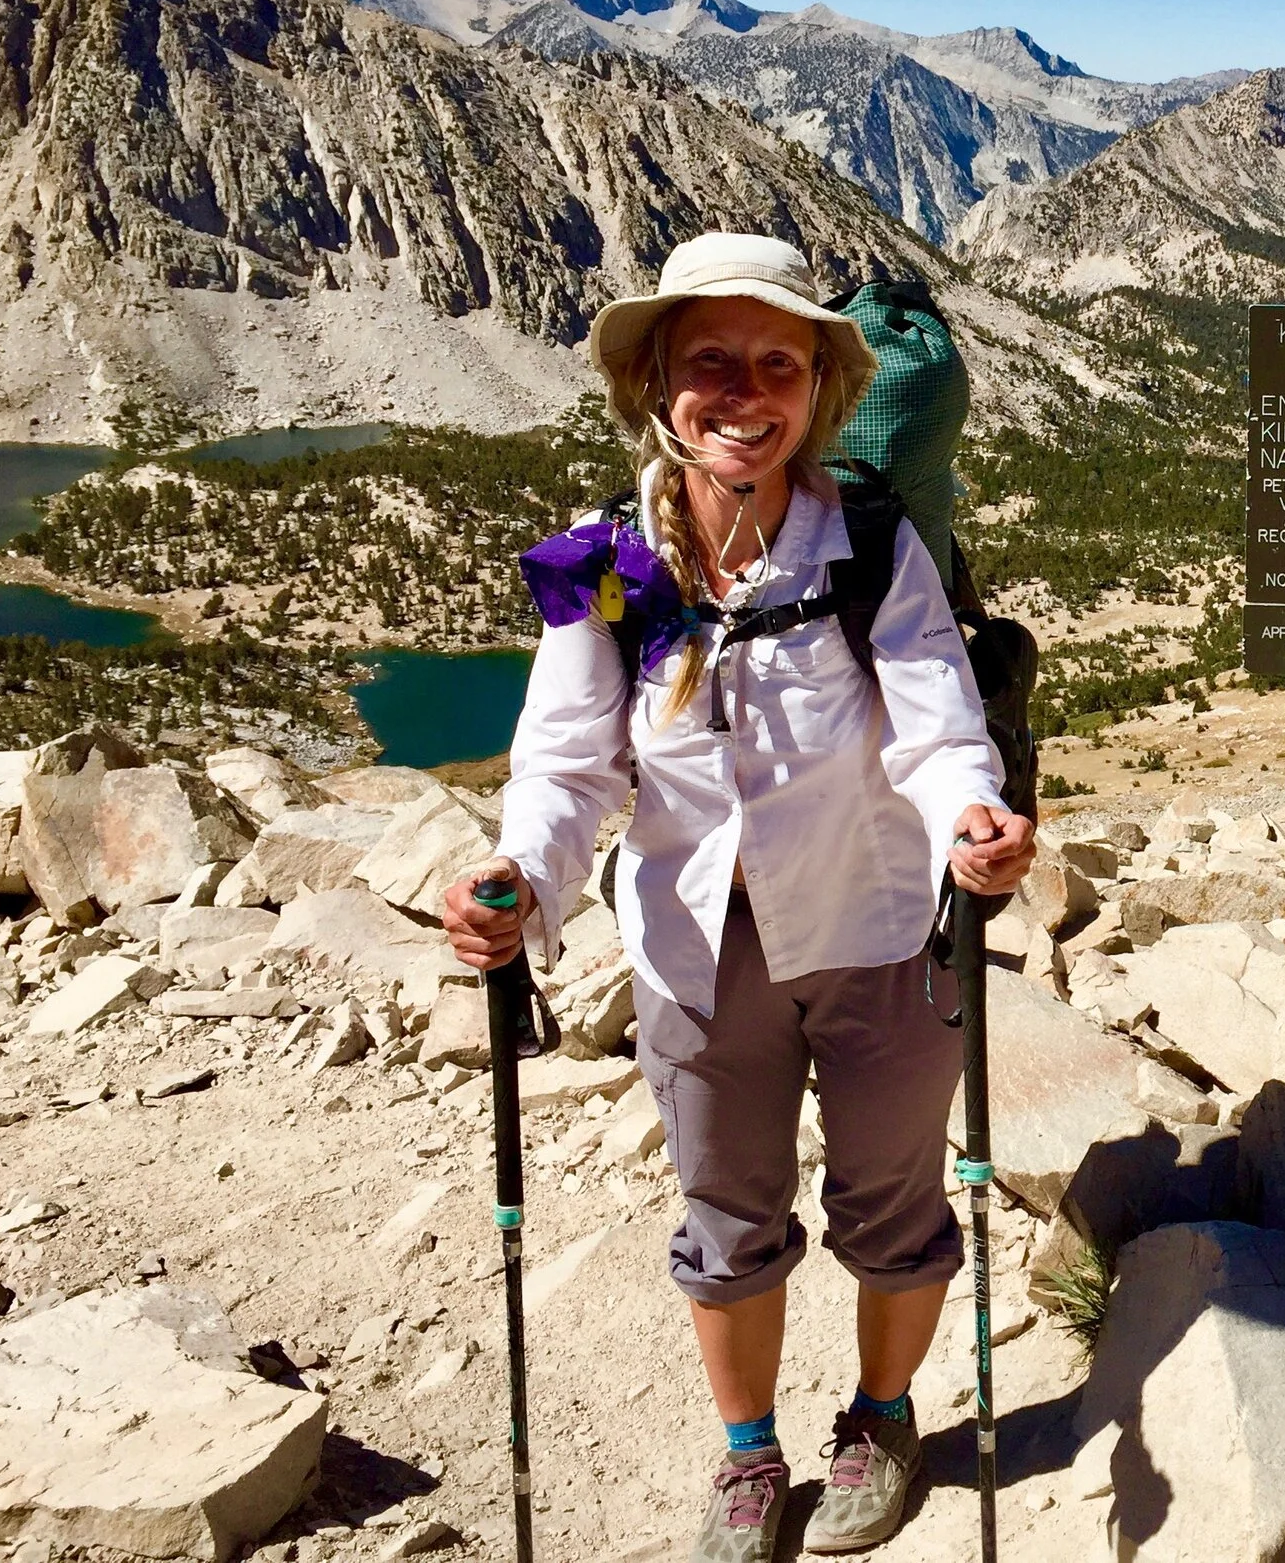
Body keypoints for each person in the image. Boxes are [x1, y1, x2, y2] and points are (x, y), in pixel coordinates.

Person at [441, 232, 1034, 1560]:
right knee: (728, 1215)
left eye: (781, 362)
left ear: (819, 389)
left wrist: (971, 822)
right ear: (659, 378)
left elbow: (938, 727)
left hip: (879, 925)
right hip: (697, 947)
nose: (746, 391)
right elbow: (566, 765)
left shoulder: (869, 542)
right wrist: (522, 876)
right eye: (713, 359)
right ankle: (749, 1456)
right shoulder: (605, 563)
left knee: (895, 1205)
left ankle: (883, 1418)